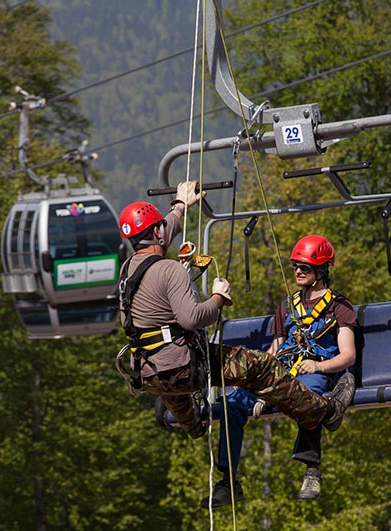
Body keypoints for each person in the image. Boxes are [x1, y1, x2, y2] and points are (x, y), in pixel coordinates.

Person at [116, 182, 356, 491]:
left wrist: (180, 204)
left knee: (183, 403)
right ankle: (326, 411)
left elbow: (164, 230)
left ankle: (194, 427)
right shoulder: (170, 270)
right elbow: (192, 318)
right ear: (158, 234)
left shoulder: (127, 272)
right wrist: (218, 298)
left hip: (149, 371)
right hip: (183, 366)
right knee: (261, 367)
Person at [206, 235, 357, 507]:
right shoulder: (287, 306)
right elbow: (276, 350)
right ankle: (228, 481)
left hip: (314, 372)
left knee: (307, 396)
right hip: (280, 371)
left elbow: (348, 355)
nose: (298, 271)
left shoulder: (339, 308)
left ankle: (312, 469)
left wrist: (319, 365)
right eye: (295, 266)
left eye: (305, 267)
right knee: (232, 404)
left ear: (321, 271)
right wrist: (249, 379)